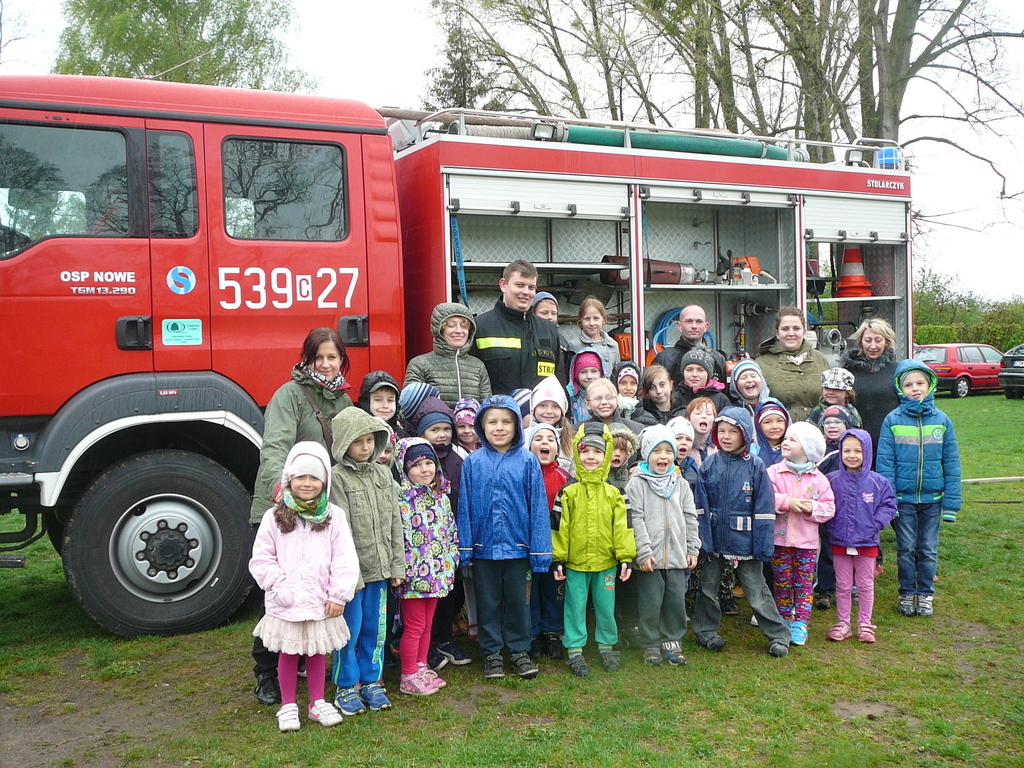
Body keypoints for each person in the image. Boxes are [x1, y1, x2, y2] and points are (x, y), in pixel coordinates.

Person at [250, 327, 354, 706]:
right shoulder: (289, 395)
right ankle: (267, 671)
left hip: (324, 513)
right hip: (285, 509)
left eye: (333, 357)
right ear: (307, 359)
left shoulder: (343, 401)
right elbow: (275, 445)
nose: (326, 365)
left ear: (342, 360)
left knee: (315, 590)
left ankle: (307, 665)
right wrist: (282, 494)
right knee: (277, 598)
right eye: (319, 357)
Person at [249, 442, 360, 732]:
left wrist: (338, 594)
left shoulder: (334, 516)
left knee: (315, 652)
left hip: (319, 599)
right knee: (288, 652)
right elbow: (261, 557)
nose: (307, 483)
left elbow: (345, 558)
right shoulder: (274, 516)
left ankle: (316, 703)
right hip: (286, 601)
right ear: (289, 479)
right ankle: (288, 705)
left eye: (313, 478)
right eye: (301, 477)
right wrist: (277, 584)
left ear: (324, 481)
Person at [457, 394, 552, 680]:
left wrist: (540, 551)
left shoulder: (527, 462)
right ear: (481, 426)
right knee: (488, 604)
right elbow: (465, 506)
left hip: (519, 550)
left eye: (506, 422)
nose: (499, 428)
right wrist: (466, 549)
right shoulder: (473, 463)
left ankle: (520, 651)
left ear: (516, 426)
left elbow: (538, 508)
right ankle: (491, 654)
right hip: (484, 549)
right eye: (492, 422)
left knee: (519, 603)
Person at [692, 407, 791, 657]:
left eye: (732, 431)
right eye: (721, 431)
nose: (725, 436)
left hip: (746, 543)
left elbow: (765, 509)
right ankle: (705, 632)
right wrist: (704, 539)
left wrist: (762, 544)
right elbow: (700, 506)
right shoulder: (710, 465)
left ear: (744, 434)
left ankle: (779, 635)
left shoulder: (756, 467)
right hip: (714, 540)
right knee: (708, 588)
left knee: (756, 591)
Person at [329, 407, 405, 716]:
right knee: (350, 629)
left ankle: (372, 680)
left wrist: (397, 566)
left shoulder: (383, 474)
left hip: (381, 571)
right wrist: (349, 575)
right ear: (344, 443)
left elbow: (395, 523)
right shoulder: (337, 478)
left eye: (371, 441)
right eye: (358, 441)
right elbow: (339, 530)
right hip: (352, 577)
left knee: (376, 629)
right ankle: (347, 685)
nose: (366, 447)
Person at [877, 360, 962, 618]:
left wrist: (951, 504)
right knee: (905, 548)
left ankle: (925, 593)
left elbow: (952, 463)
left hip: (933, 500)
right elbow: (885, 464)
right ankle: (906, 592)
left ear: (930, 385)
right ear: (900, 389)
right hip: (903, 500)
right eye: (909, 384)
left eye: (920, 383)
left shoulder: (942, 421)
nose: (915, 389)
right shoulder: (892, 420)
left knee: (927, 548)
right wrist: (888, 502)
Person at [552, 423, 637, 676]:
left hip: (606, 563)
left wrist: (625, 557)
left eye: (597, 452)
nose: (591, 457)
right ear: (577, 454)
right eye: (585, 451)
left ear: (607, 454)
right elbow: (559, 528)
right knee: (575, 606)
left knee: (605, 606)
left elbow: (624, 528)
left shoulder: (616, 493)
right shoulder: (567, 493)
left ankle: (607, 645)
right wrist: (558, 559)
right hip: (576, 564)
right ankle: (575, 650)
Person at [626, 425, 699, 667]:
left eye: (669, 451)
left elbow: (690, 517)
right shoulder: (637, 484)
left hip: (677, 557)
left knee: (675, 600)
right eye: (657, 451)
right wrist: (644, 552)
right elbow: (635, 519)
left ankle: (672, 641)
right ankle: (650, 642)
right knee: (650, 603)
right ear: (647, 454)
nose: (664, 456)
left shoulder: (680, 484)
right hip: (651, 559)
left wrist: (692, 548)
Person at [406, 396, 471, 669]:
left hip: (447, 542)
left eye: (446, 428)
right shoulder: (411, 460)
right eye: (434, 430)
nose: (441, 434)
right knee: (419, 608)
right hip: (419, 553)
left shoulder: (459, 458)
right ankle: (421, 649)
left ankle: (443, 639)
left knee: (447, 596)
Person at [394, 438, 460, 695]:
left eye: (429, 463)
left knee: (428, 624)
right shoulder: (401, 500)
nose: (425, 469)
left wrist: (452, 559)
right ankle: (408, 673)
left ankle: (421, 666)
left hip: (438, 572)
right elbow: (396, 537)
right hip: (412, 576)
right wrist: (399, 570)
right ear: (404, 469)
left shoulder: (441, 497)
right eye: (417, 465)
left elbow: (450, 530)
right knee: (415, 625)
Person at [825, 429, 898, 643]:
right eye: (846, 450)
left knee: (865, 584)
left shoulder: (878, 482)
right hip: (839, 541)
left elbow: (889, 504)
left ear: (867, 452)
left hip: (867, 542)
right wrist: (830, 523)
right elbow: (824, 503)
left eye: (858, 450)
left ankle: (865, 624)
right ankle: (843, 623)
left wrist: (876, 524)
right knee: (843, 584)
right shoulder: (832, 480)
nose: (852, 455)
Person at [766, 422, 835, 646]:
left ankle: (800, 623)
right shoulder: (774, 472)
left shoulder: (819, 479)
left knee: (804, 584)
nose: (785, 442)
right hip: (779, 540)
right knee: (782, 581)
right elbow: (766, 497)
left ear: (806, 449)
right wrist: (788, 502)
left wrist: (811, 508)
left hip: (806, 544)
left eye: (792, 440)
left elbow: (829, 508)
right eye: (786, 438)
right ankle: (784, 619)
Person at [473, 260, 561, 394]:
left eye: (531, 287)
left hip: (540, 414)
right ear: (503, 285)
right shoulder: (480, 327)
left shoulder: (549, 330)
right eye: (520, 285)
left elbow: (559, 382)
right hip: (498, 413)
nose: (526, 292)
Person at [525, 422, 572, 660]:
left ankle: (552, 632)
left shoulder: (565, 477)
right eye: (538, 438)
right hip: (529, 547)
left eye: (550, 439)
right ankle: (531, 633)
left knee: (554, 590)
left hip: (556, 546)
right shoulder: (522, 471)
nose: (544, 443)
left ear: (557, 447)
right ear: (528, 445)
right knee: (529, 592)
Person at [405, 303, 492, 409]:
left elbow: (486, 410)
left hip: (471, 426)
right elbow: (410, 408)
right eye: (451, 325)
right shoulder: (419, 364)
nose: (459, 331)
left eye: (464, 326)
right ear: (439, 330)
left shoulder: (478, 366)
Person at [813, 404, 857, 610]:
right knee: (826, 550)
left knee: (853, 549)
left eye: (837, 421)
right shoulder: (819, 451)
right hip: (826, 510)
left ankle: (854, 586)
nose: (831, 426)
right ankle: (825, 588)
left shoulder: (855, 450)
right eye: (827, 422)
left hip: (852, 510)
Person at [840, 318, 901, 461]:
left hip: (887, 445)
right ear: (860, 341)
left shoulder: (897, 371)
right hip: (854, 447)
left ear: (886, 342)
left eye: (878, 340)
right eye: (868, 340)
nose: (873, 346)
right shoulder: (847, 371)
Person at [755, 307, 829, 421]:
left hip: (818, 431)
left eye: (796, 328)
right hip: (779, 433)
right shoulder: (762, 364)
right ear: (777, 333)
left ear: (804, 331)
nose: (791, 333)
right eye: (785, 329)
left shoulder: (819, 359)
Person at [653, 305, 727, 387]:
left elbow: (724, 395)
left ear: (706, 326)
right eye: (688, 321)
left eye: (699, 321)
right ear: (679, 326)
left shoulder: (718, 359)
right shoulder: (664, 359)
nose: (694, 326)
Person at [563, 296, 621, 378]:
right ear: (581, 321)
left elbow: (618, 376)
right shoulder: (573, 345)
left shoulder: (613, 345)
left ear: (603, 320)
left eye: (596, 318)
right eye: (587, 319)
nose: (592, 323)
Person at [531, 374, 575, 465]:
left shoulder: (569, 441)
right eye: (543, 405)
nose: (549, 411)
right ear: (533, 408)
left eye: (555, 406)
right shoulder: (523, 437)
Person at [579, 377, 646, 434]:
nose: (604, 402)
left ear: (617, 400)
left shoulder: (636, 429)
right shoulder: (578, 430)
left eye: (609, 397)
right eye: (598, 398)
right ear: (587, 404)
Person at [676, 348, 730, 413]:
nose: (694, 374)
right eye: (689, 370)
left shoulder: (721, 399)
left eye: (700, 370)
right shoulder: (676, 397)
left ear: (708, 374)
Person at [612, 360, 658, 426]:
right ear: (616, 385)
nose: (628, 388)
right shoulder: (608, 416)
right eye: (623, 383)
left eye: (633, 383)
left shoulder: (649, 420)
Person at [567, 350, 604, 423]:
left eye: (594, 371)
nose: (589, 376)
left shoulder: (608, 397)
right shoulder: (570, 397)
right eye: (583, 372)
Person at [753, 398, 790, 466]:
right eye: (767, 422)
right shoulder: (753, 452)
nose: (774, 426)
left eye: (779, 421)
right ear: (759, 425)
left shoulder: (793, 450)